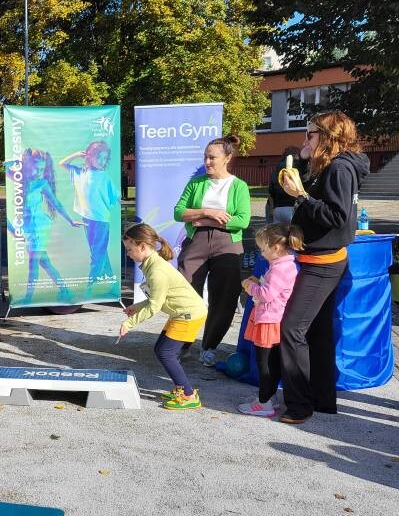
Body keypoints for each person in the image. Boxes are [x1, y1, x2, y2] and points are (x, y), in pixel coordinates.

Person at [277, 110, 369, 424]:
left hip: (323, 264)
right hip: (324, 260)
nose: (304, 140)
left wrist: (301, 196)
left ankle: (299, 405)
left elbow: (336, 216)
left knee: (292, 329)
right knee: (317, 332)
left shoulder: (340, 169)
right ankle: (321, 399)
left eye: (310, 135)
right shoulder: (331, 166)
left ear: (328, 138)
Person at [172, 135, 252, 367]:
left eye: (212, 157)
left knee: (224, 297)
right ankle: (182, 344)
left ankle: (209, 347)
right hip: (196, 241)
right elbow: (178, 212)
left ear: (227, 158)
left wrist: (209, 219)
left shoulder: (239, 186)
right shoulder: (196, 183)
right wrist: (207, 211)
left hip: (228, 244)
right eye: (205, 157)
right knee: (185, 293)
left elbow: (242, 220)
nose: (207, 161)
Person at [119, 223, 208, 410]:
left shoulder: (156, 271)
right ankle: (181, 388)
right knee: (164, 349)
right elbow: (156, 299)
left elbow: (154, 306)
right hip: (181, 312)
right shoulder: (152, 264)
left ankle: (189, 394)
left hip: (188, 314)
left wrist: (129, 323)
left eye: (129, 249)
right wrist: (136, 307)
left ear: (142, 246)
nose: (128, 254)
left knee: (165, 352)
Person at [237, 224, 303, 417]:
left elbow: (267, 294)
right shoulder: (281, 265)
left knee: (264, 364)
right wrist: (258, 282)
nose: (261, 253)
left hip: (268, 320)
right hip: (270, 319)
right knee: (269, 363)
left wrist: (249, 286)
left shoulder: (280, 269)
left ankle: (264, 402)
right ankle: (268, 397)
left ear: (276, 248)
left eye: (263, 249)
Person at [7, 148, 83, 302]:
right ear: (28, 164)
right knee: (44, 261)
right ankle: (65, 290)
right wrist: (17, 162)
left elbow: (56, 204)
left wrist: (70, 220)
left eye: (43, 168)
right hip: (28, 227)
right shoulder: (19, 179)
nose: (40, 171)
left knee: (33, 262)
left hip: (39, 226)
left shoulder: (41, 183)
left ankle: (28, 298)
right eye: (37, 167)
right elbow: (5, 167)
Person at [59, 141, 120, 288]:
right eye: (99, 157)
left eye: (105, 158)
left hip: (100, 220)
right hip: (87, 219)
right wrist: (76, 154)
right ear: (89, 156)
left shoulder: (104, 177)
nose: (102, 161)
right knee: (99, 252)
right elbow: (62, 163)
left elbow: (115, 198)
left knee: (97, 255)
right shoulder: (80, 172)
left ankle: (90, 286)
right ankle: (110, 281)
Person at [267, 146, 309, 223]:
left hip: (278, 208)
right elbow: (305, 183)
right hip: (294, 207)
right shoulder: (300, 165)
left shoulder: (276, 167)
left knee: (278, 234)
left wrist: (271, 210)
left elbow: (271, 190)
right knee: (294, 233)